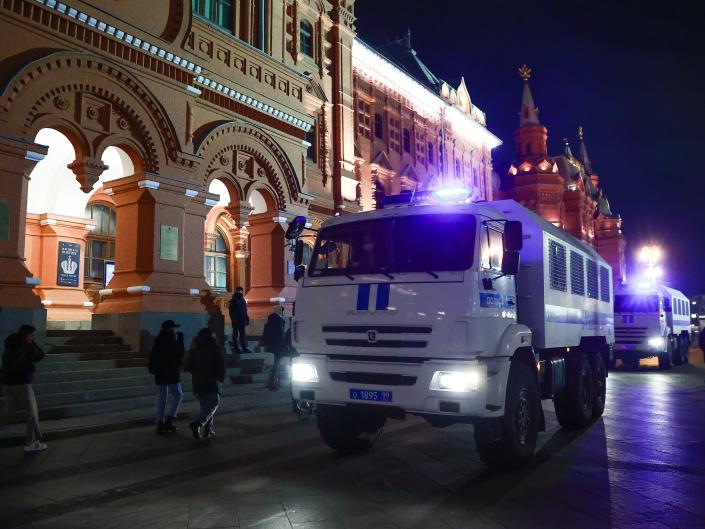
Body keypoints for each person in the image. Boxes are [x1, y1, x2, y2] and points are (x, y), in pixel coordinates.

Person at [0, 325, 46, 452]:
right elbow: (40, 355)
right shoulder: (25, 348)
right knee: (32, 414)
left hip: (8, 384)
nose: (34, 337)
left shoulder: (9, 346)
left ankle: (36, 440)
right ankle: (30, 443)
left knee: (9, 411)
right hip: (22, 385)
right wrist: (32, 344)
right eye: (32, 335)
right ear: (27, 335)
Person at [184, 328, 225, 440]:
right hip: (211, 382)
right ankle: (197, 424)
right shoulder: (214, 347)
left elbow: (189, 366)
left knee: (205, 407)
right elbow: (220, 364)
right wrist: (221, 377)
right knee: (213, 404)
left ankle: (208, 430)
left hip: (198, 382)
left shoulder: (195, 348)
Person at [148, 320, 185, 436]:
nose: (175, 330)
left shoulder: (158, 339)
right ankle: (170, 418)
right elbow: (179, 353)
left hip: (160, 373)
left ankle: (160, 423)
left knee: (162, 398)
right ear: (170, 329)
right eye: (174, 328)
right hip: (171, 372)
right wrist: (181, 339)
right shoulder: (171, 339)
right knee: (179, 395)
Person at [263, 306, 286, 390]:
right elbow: (280, 335)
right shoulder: (278, 321)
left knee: (274, 365)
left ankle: (272, 382)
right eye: (282, 311)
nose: (283, 313)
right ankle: (273, 383)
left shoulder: (270, 321)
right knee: (276, 365)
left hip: (271, 346)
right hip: (277, 346)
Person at [229, 286, 251, 354]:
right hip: (236, 321)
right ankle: (236, 348)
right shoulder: (233, 300)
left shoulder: (243, 300)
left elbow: (245, 311)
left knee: (243, 335)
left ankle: (244, 348)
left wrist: (247, 319)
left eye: (241, 291)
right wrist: (233, 319)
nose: (240, 292)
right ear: (236, 291)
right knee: (235, 335)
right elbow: (231, 312)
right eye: (239, 291)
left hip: (242, 321)